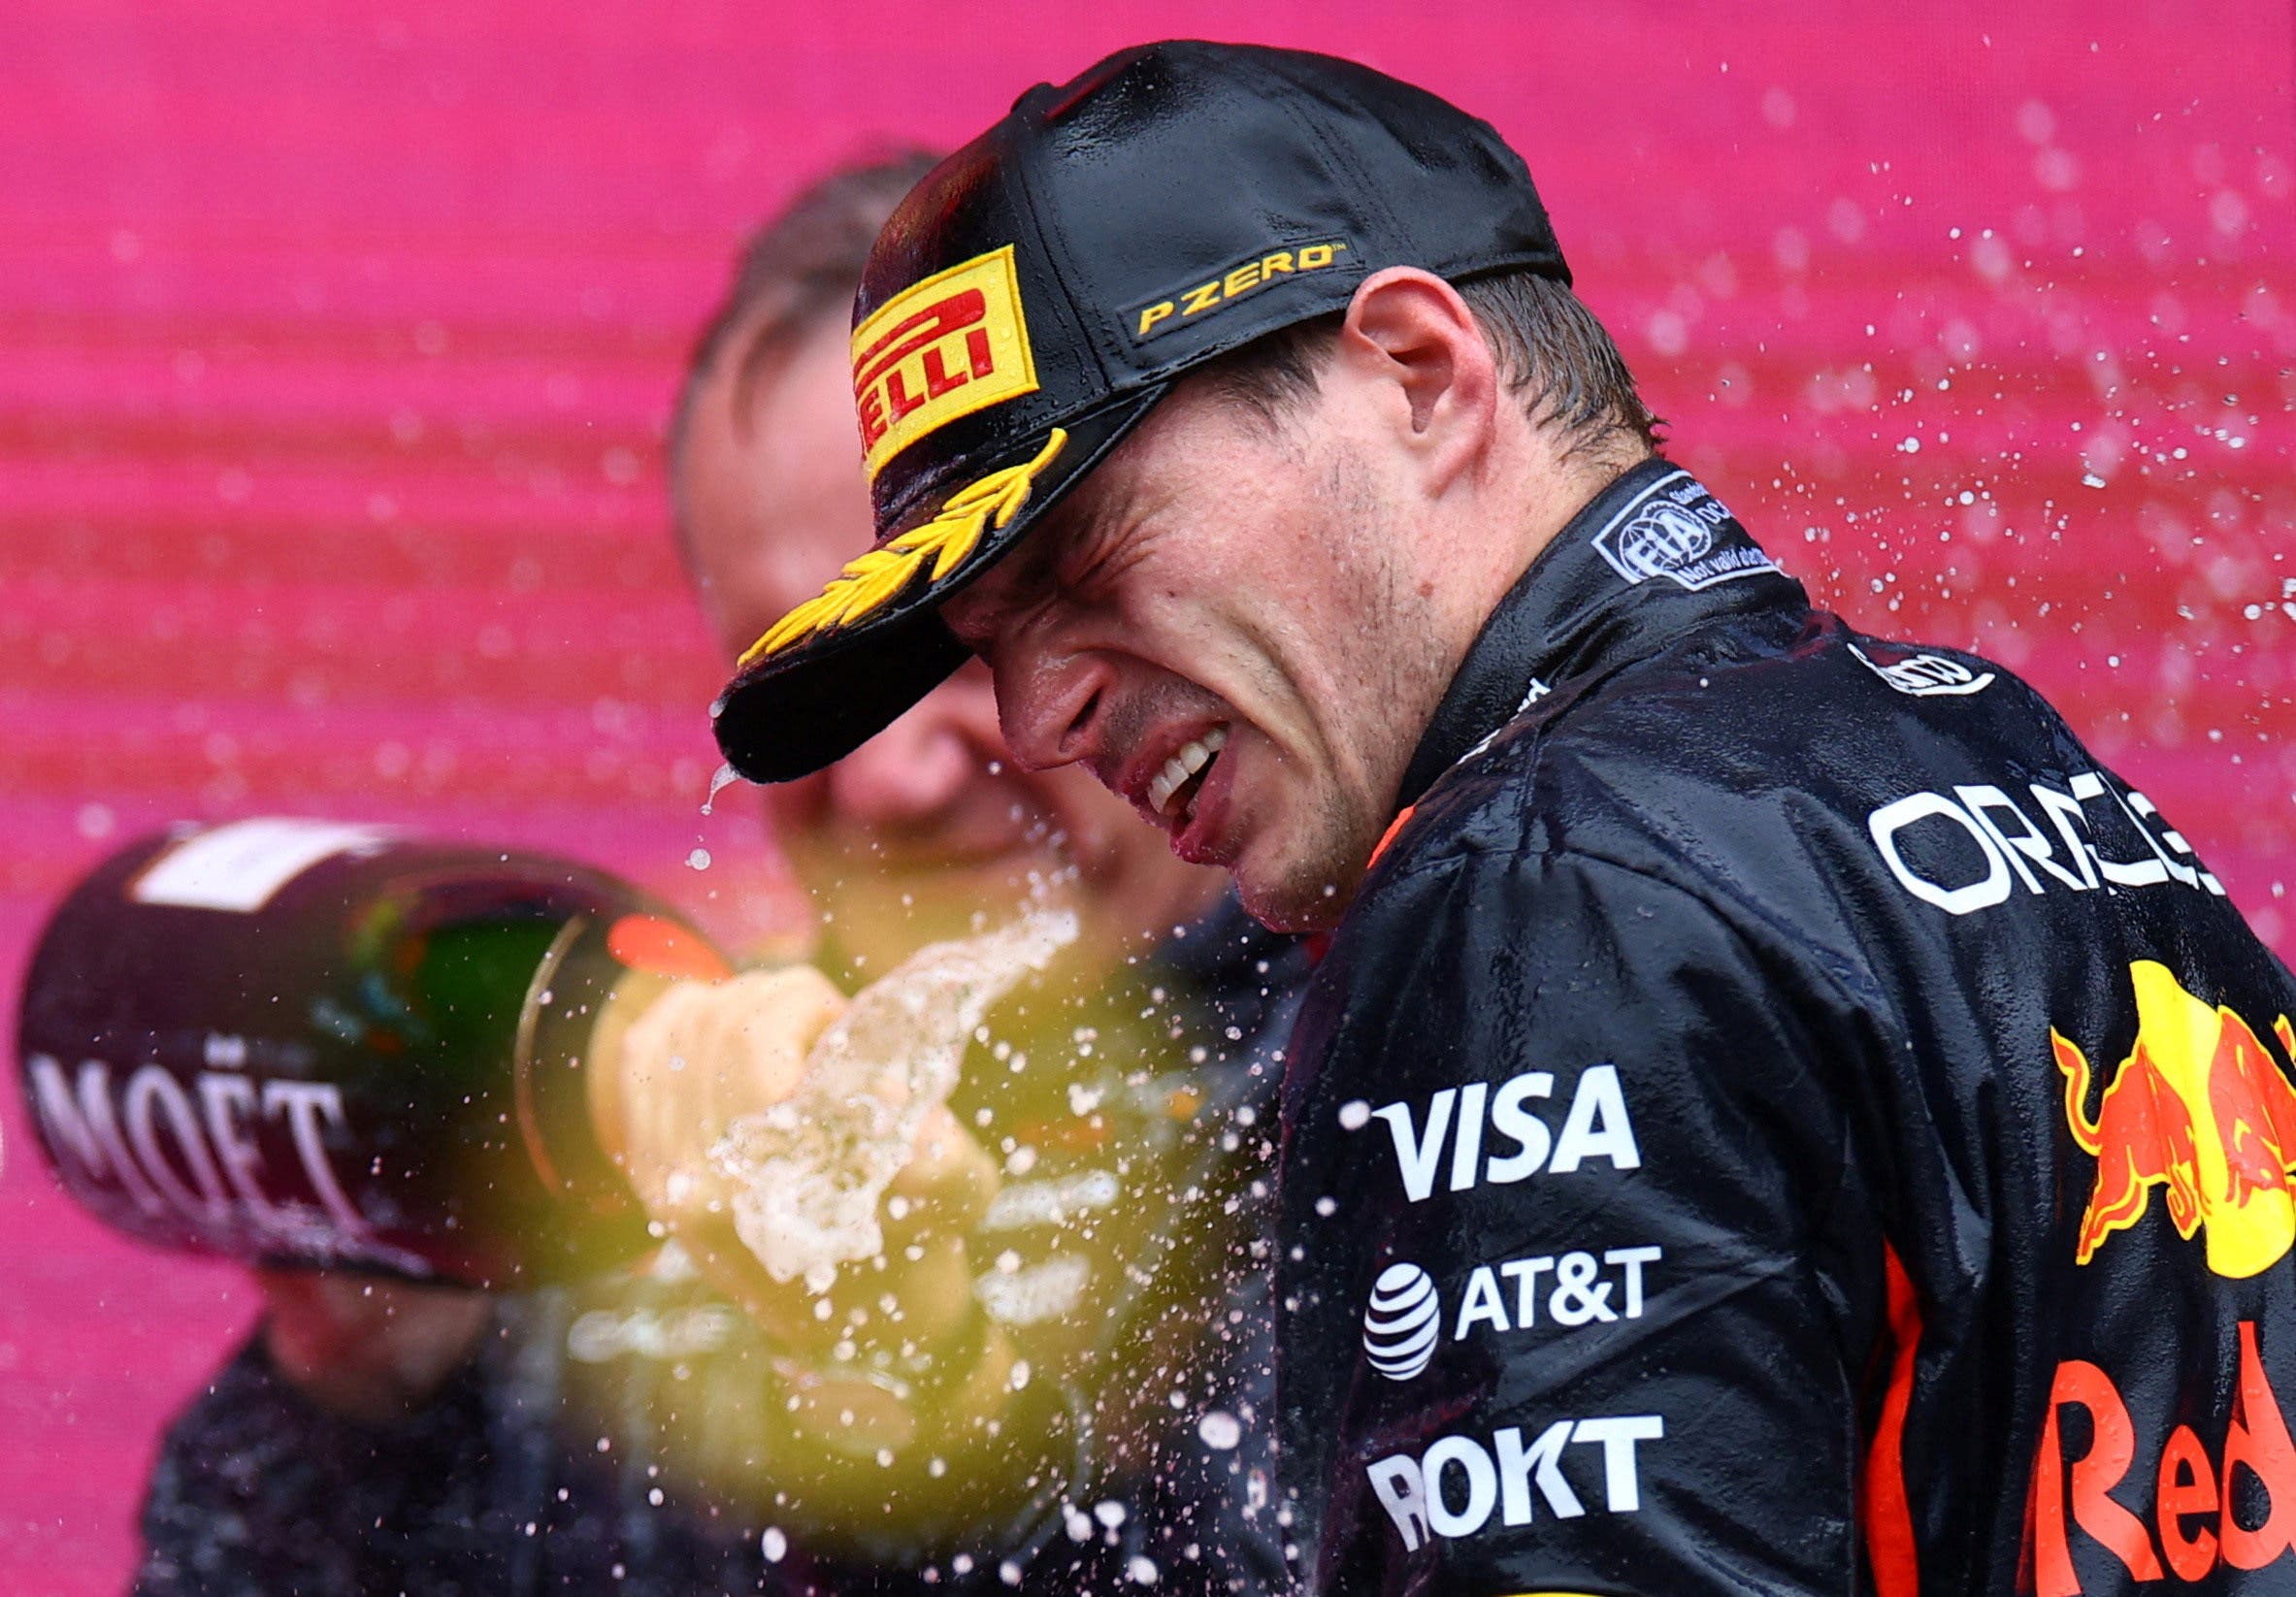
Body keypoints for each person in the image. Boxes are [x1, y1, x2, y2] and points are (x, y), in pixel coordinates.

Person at [709, 41, 2296, 1597]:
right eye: (993, 639)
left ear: (1416, 374)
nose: (1040, 716)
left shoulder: (1532, 896)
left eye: (1083, 556)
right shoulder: (1991, 751)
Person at [132, 154, 1301, 1597]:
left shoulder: (1408, 1054)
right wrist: (363, 1404)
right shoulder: (655, 1156)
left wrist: (915, 1387)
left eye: (943, 640)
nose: (890, 774)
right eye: (802, 671)